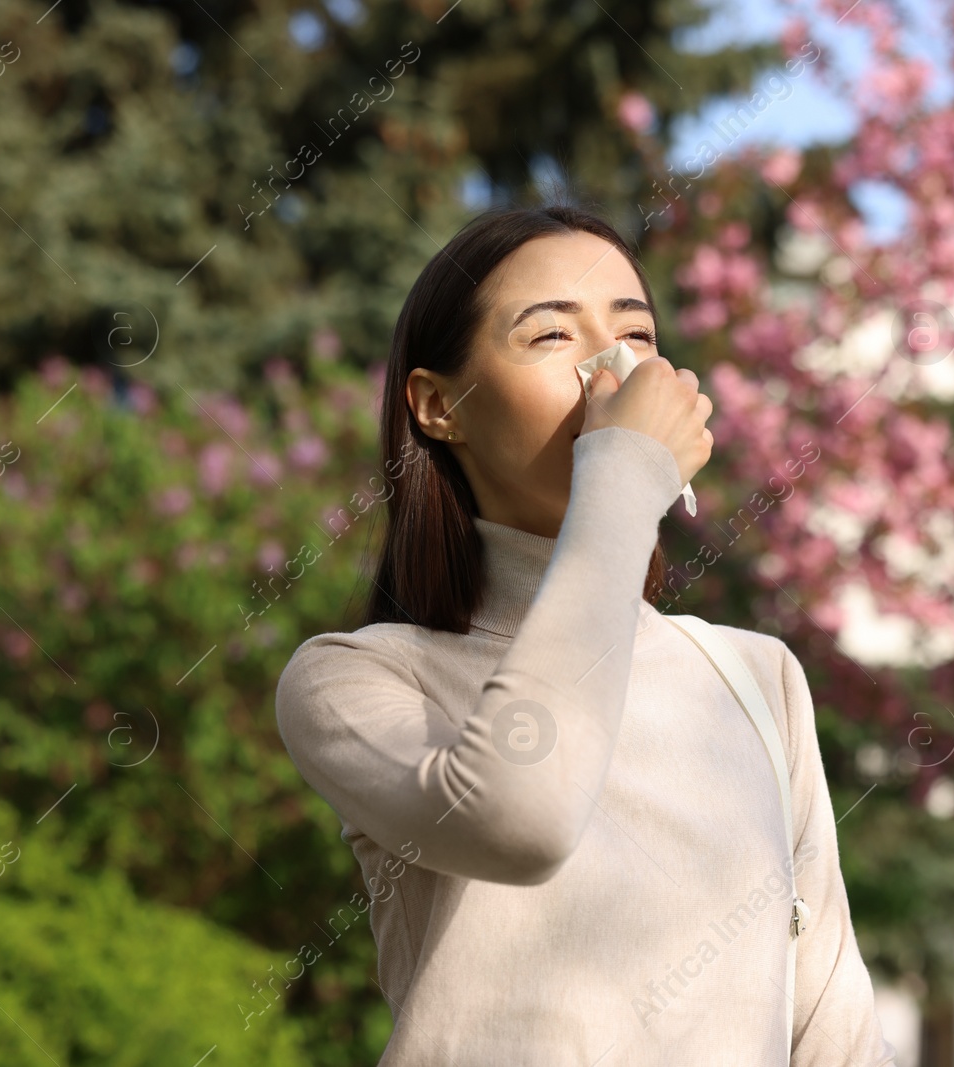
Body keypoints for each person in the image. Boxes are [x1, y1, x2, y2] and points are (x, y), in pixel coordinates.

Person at [273, 203, 898, 1066]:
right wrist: (622, 477)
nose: (613, 370)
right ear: (438, 406)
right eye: (550, 337)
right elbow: (522, 822)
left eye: (636, 336)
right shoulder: (356, 678)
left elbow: (838, 1035)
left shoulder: (756, 676)